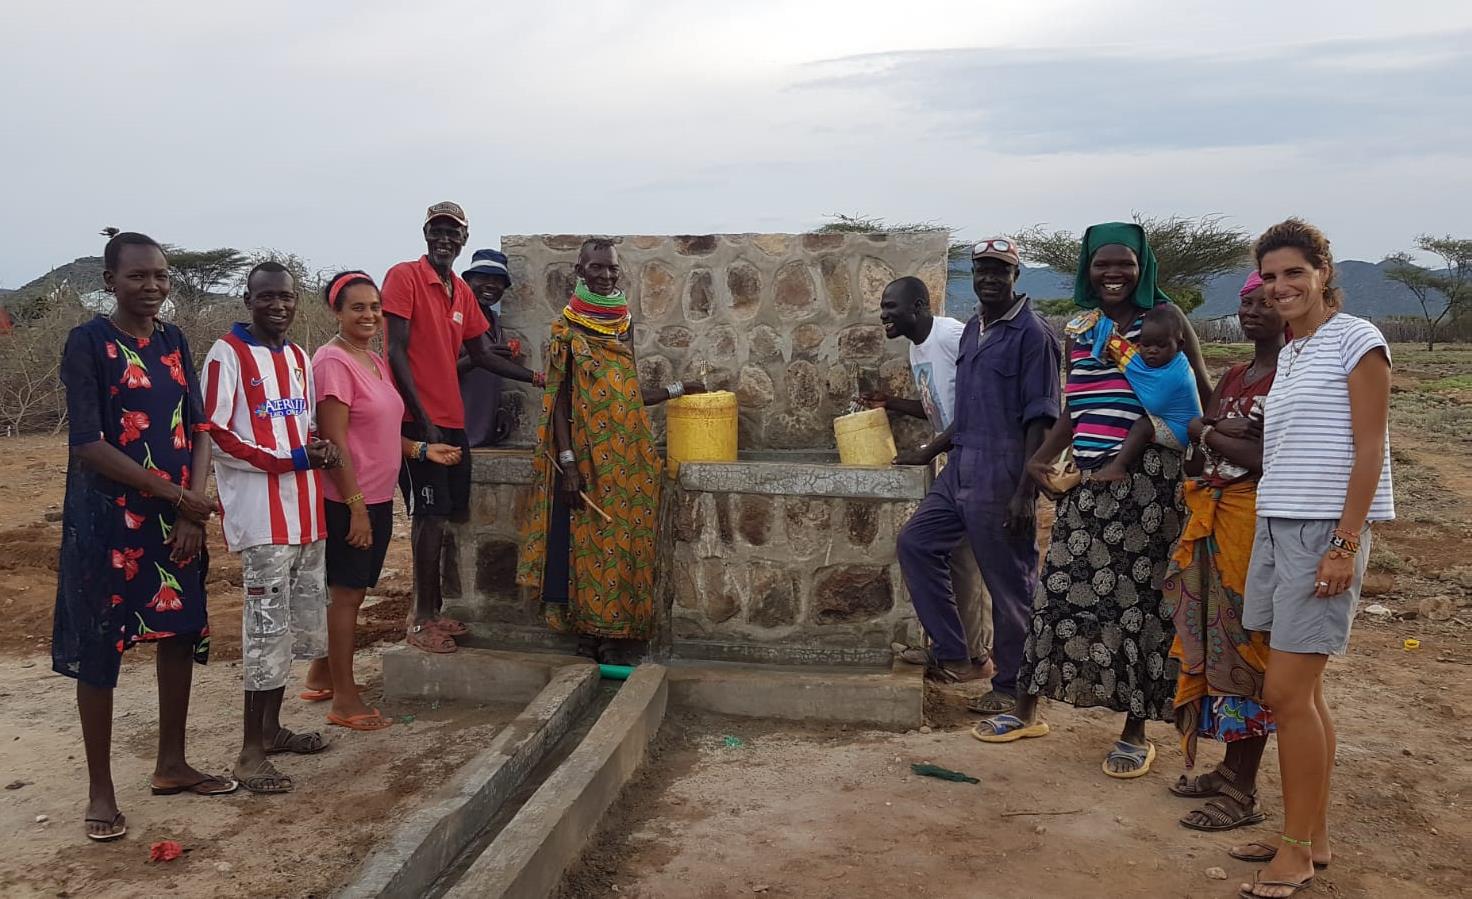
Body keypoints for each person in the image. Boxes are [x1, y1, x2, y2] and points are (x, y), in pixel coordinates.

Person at [975, 222, 1211, 781]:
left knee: (1139, 602)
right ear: (1087, 269)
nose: (1113, 274)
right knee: (1058, 589)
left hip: (1150, 480)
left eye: (1125, 263)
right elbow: (1073, 405)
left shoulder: (1167, 320)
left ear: (1142, 267)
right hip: (1086, 476)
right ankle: (1026, 711)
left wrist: (1215, 444)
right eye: (1102, 264)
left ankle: (1134, 732)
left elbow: (1201, 384)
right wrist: (1040, 462)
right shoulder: (1079, 327)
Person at [54, 232, 235, 841]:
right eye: (138, 276)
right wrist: (175, 495)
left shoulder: (173, 341)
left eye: (160, 275)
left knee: (179, 630)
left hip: (175, 518)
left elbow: (200, 428)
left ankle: (172, 764)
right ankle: (100, 790)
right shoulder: (88, 344)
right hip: (109, 519)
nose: (153, 286)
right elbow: (88, 445)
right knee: (102, 644)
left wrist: (191, 509)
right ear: (110, 281)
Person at [1233, 220, 1393, 899]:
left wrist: (1344, 542)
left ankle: (1295, 851)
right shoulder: (1297, 350)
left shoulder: (1357, 339)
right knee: (1306, 694)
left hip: (1323, 532)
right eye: (1270, 277)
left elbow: (1369, 447)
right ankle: (1311, 832)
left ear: (1323, 270)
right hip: (1278, 521)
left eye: (1293, 273)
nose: (1280, 287)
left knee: (1285, 695)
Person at [516, 239, 704, 665]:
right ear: (579, 271)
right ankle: (585, 630)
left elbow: (628, 390)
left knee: (622, 542)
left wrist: (681, 389)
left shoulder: (623, 324)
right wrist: (568, 463)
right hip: (583, 453)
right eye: (597, 268)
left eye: (612, 269)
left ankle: (616, 631)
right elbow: (559, 399)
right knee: (583, 542)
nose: (605, 276)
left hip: (627, 455)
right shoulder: (565, 329)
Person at [893, 239, 1061, 710]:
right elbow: (963, 412)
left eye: (999, 270)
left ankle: (1013, 688)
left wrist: (1026, 490)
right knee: (917, 544)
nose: (989, 278)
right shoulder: (973, 330)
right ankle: (959, 654)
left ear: (1016, 276)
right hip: (961, 465)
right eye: (981, 269)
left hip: (1005, 470)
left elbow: (1042, 418)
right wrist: (929, 452)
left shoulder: (1033, 334)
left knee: (1008, 585)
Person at [309, 271, 465, 731]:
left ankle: (322, 672)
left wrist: (421, 450)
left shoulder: (373, 360)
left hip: (374, 496)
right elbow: (334, 442)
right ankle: (345, 699)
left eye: (375, 307)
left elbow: (378, 432)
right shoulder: (332, 364)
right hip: (346, 499)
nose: (370, 315)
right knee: (347, 596)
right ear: (337, 312)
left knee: (353, 592)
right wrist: (355, 507)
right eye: (357, 307)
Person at [203, 261, 337, 794]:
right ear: (247, 299)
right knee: (263, 634)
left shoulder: (299, 355)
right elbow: (213, 434)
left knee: (292, 630)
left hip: (306, 515)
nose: (278, 306)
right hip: (263, 520)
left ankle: (273, 730)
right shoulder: (226, 356)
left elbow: (299, 424)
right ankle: (249, 753)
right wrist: (288, 461)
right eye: (267, 297)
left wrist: (316, 448)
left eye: (286, 297)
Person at [382, 202, 541, 653]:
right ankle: (420, 620)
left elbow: (484, 354)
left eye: (454, 232)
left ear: (464, 240)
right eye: (438, 229)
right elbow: (396, 350)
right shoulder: (405, 277)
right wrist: (424, 421)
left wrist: (537, 379)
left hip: (451, 422)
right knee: (426, 519)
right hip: (419, 422)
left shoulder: (460, 292)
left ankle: (434, 608)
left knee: (447, 517)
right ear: (426, 232)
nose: (445, 238)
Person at [1160, 272, 1283, 833]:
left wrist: (1209, 434)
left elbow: (1265, 455)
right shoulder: (1236, 374)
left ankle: (1243, 789)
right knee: (1213, 642)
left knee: (1246, 647)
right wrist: (1213, 434)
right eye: (1246, 303)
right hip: (1213, 517)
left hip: (1251, 526)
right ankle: (1228, 769)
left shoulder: (1289, 376)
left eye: (1266, 302)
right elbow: (1205, 431)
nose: (1253, 311)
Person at [866, 276, 992, 684]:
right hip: (957, 462)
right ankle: (962, 654)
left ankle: (970, 656)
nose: (884, 314)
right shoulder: (916, 344)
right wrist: (891, 404)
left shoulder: (951, 335)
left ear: (919, 306)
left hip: (977, 463)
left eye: (891, 306)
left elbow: (979, 405)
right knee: (956, 557)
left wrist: (927, 452)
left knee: (937, 550)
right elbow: (936, 406)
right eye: (883, 307)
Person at [1095, 302, 1203, 482]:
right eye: (1145, 345)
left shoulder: (1176, 375)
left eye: (1161, 346)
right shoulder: (1172, 360)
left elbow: (1153, 401)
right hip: (1186, 428)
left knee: (1142, 426)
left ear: (1180, 344)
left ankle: (1118, 466)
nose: (1152, 351)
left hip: (1181, 432)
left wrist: (1113, 344)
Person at [458, 249, 520, 448]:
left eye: (498, 280)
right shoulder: (455, 320)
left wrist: (499, 411)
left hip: (484, 435)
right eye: (483, 277)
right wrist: (480, 357)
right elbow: (439, 376)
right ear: (468, 282)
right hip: (456, 436)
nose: (491, 285)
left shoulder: (495, 322)